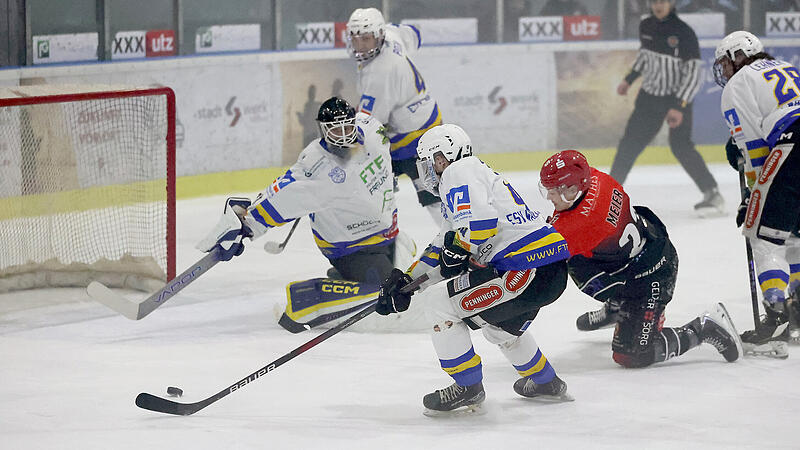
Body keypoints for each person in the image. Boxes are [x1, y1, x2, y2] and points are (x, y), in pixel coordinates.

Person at [376, 124, 573, 416]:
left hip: (523, 269)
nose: (428, 169)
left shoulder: (459, 171)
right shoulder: (470, 178)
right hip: (547, 270)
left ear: (447, 155)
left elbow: (480, 227)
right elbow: (445, 244)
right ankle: (546, 381)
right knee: (497, 326)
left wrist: (458, 250)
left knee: (439, 303)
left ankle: (467, 388)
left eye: (432, 161)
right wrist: (407, 281)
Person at [196, 97, 413, 332]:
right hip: (352, 248)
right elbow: (282, 194)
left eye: (347, 127)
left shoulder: (372, 129)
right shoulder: (317, 167)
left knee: (406, 278)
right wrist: (247, 223)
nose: (342, 135)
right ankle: (309, 299)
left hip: (389, 233)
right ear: (322, 129)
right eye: (334, 129)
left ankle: (346, 282)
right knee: (387, 305)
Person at [539, 150, 742, 368]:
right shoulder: (597, 178)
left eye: (554, 190)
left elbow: (537, 253)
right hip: (646, 245)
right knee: (581, 259)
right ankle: (618, 305)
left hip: (653, 274)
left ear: (574, 188)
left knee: (631, 355)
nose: (549, 197)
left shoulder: (582, 223)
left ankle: (704, 327)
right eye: (547, 189)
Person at [713, 30, 800, 343]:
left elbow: (756, 154)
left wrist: (753, 197)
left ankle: (777, 318)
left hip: (793, 147)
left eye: (724, 62)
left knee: (764, 236)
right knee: (794, 232)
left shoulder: (738, 84)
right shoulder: (786, 67)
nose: (723, 71)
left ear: (738, 56)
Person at [611, 0, 723, 217]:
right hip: (649, 98)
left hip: (677, 98)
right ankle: (610, 193)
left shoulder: (684, 32)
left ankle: (712, 191)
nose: (658, 5)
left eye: (662, 1)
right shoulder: (646, 25)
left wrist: (679, 106)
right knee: (629, 144)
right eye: (654, 1)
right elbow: (644, 57)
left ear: (671, 3)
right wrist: (629, 79)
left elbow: (693, 73)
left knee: (681, 146)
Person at [346, 8, 443, 225]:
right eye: (356, 38)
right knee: (377, 190)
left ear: (379, 35)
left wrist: (341, 146)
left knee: (433, 196)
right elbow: (414, 33)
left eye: (366, 39)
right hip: (420, 126)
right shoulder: (392, 35)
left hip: (419, 143)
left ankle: (463, 243)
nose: (360, 45)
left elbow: (368, 127)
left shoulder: (379, 75)